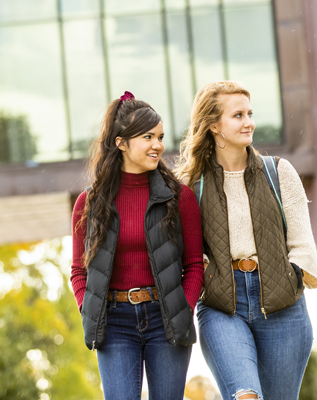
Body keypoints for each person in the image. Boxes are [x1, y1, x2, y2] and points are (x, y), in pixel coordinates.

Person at [176, 81, 317, 400]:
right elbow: (186, 252)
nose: (249, 122)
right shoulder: (189, 186)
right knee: (246, 395)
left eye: (250, 114)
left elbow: (301, 240)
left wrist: (291, 277)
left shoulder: (279, 172)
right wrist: (205, 281)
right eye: (238, 115)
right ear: (214, 125)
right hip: (221, 307)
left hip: (283, 305)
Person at [69, 91, 204, 399]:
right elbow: (79, 271)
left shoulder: (179, 198)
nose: (158, 145)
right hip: (114, 323)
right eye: (147, 137)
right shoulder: (88, 204)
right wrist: (89, 310)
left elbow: (195, 265)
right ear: (121, 142)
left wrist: (182, 307)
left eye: (160, 137)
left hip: (166, 318)